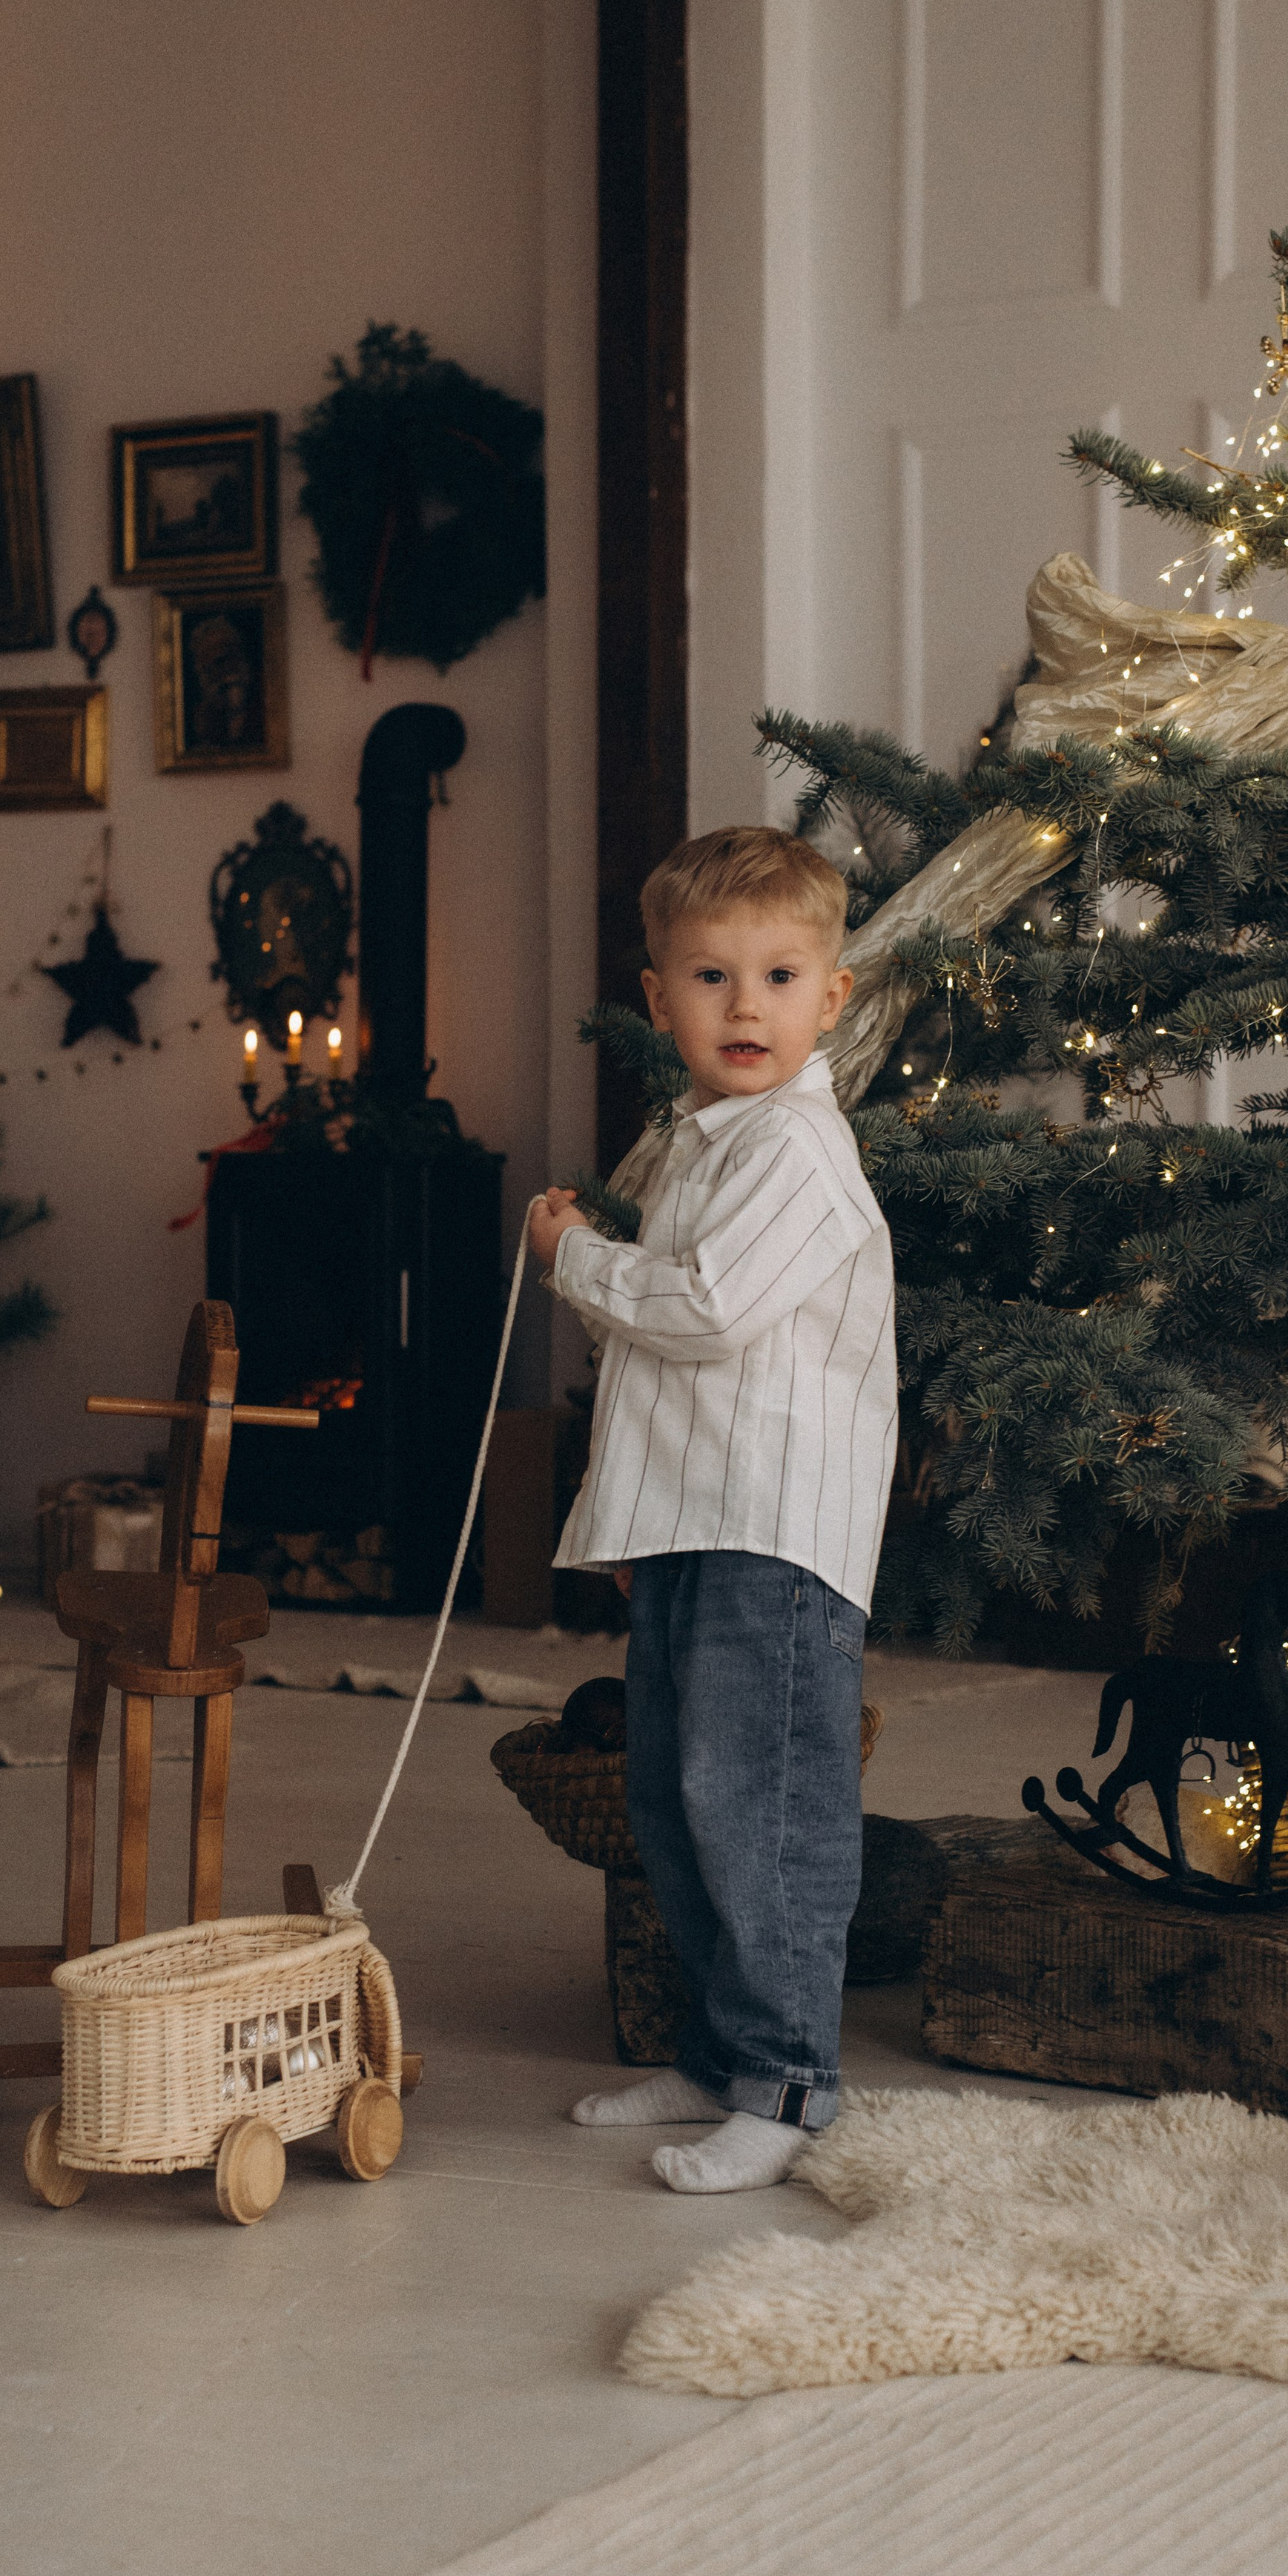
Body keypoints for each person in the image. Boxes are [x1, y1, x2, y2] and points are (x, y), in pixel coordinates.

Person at [528, 826, 897, 2193]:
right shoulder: (700, 1139)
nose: (747, 1008)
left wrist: (576, 1260)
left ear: (832, 997)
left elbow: (705, 1314)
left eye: (780, 976)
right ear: (658, 998)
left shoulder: (797, 1151)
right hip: (701, 1515)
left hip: (777, 1532)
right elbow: (667, 1384)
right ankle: (719, 2050)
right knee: (674, 1796)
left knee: (762, 1799)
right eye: (711, 978)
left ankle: (792, 2077)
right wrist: (639, 1528)